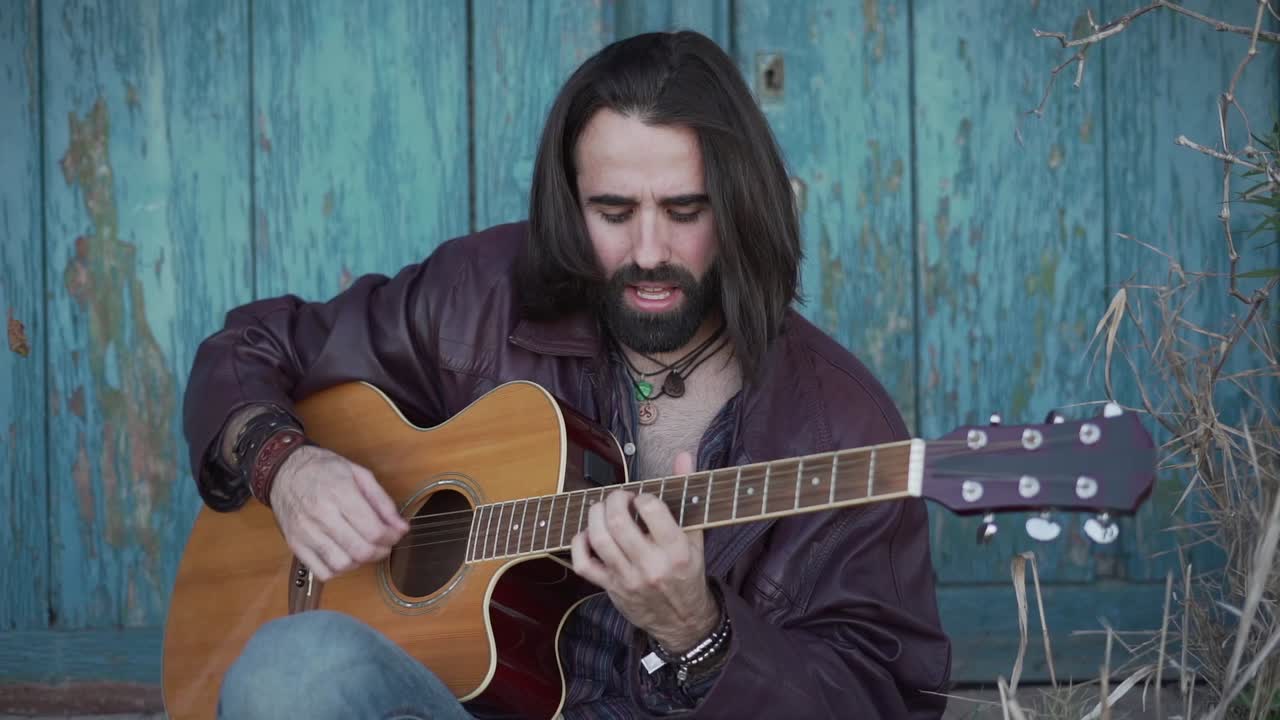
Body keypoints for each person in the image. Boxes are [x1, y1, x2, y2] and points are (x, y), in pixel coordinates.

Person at [183, 30, 950, 720]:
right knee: (296, 669)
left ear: (741, 206)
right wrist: (286, 465)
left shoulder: (840, 427)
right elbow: (249, 346)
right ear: (569, 203)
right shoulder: (479, 297)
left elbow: (884, 700)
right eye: (613, 212)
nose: (649, 250)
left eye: (685, 211)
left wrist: (701, 634)